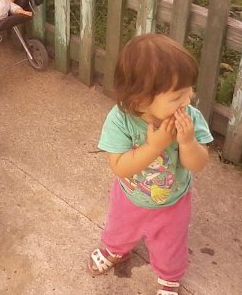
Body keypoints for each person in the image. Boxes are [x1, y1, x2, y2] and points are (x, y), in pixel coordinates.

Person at [87, 34, 213, 295]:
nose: (188, 100)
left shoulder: (189, 118)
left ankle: (169, 277)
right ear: (141, 100)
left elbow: (198, 164)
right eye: (177, 96)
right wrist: (154, 146)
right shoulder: (120, 120)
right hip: (129, 197)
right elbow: (120, 167)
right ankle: (115, 250)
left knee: (170, 244)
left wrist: (188, 142)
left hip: (172, 201)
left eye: (189, 90)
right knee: (119, 228)